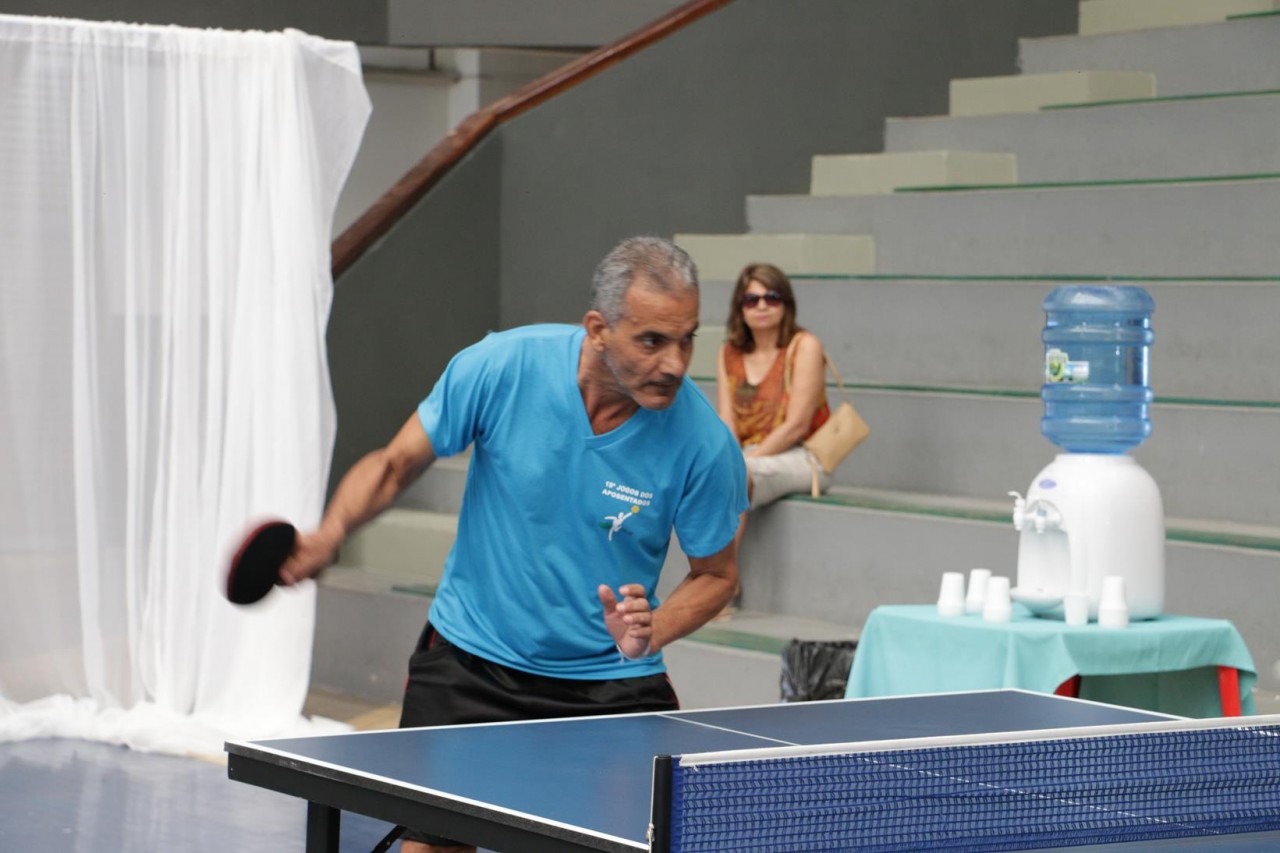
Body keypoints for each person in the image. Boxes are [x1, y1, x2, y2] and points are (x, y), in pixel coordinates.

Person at [279, 236, 748, 853]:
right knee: (434, 845)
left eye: (687, 339)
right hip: (472, 659)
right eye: (653, 341)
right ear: (598, 329)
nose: (676, 364)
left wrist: (652, 628)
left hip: (606, 679)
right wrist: (331, 533)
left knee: (645, 840)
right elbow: (395, 464)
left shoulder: (705, 443)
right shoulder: (503, 366)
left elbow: (717, 575)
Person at [715, 262, 832, 566]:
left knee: (735, 474)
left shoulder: (804, 346)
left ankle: (721, 580)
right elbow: (727, 421)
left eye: (772, 297)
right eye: (751, 300)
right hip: (750, 456)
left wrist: (744, 463)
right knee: (712, 472)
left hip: (805, 456)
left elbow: (797, 426)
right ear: (739, 308)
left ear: (786, 303)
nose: (762, 306)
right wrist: (733, 460)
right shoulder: (729, 353)